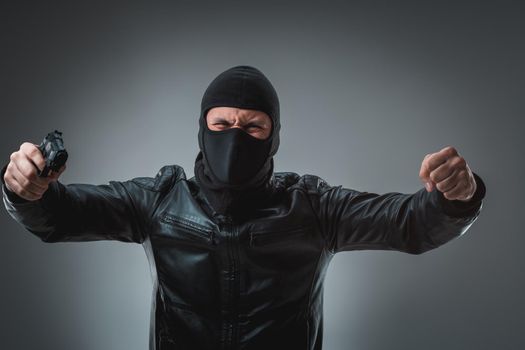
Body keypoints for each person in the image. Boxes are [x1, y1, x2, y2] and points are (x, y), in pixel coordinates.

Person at [1, 65, 486, 350]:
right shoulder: (158, 199)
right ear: (201, 127)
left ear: (274, 136)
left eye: (253, 127)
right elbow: (60, 215)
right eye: (222, 123)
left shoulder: (314, 207)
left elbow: (411, 225)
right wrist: (27, 188)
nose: (235, 136)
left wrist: (456, 197)